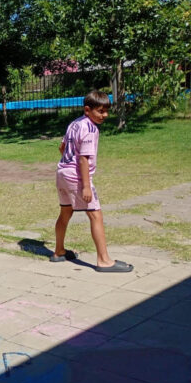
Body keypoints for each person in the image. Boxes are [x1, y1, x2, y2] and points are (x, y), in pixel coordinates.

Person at [54, 90, 133, 273]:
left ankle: (59, 251)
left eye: (106, 111)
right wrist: (86, 186)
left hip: (62, 173)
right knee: (95, 215)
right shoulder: (90, 128)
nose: (104, 115)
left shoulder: (75, 123)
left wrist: (67, 165)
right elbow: (83, 159)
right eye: (100, 111)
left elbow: (62, 147)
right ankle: (104, 260)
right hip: (77, 178)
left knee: (66, 211)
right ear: (87, 110)